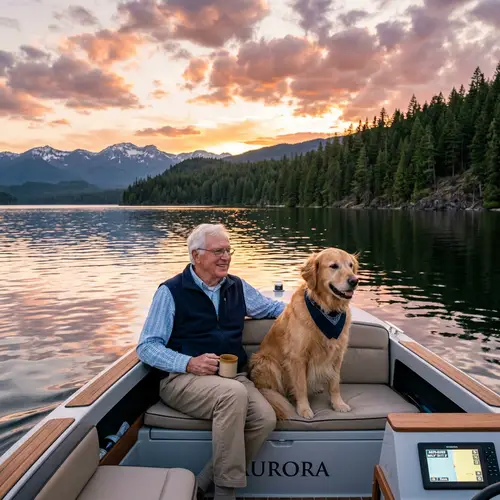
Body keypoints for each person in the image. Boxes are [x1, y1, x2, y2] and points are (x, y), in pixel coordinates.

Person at [136, 223, 286, 500]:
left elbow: (272, 307)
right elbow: (147, 347)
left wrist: (317, 309)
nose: (226, 257)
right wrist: (188, 362)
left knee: (265, 418)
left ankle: (202, 483)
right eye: (218, 251)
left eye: (228, 250)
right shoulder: (170, 292)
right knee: (233, 395)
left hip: (232, 378)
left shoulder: (236, 286)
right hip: (182, 380)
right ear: (196, 256)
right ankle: (225, 494)